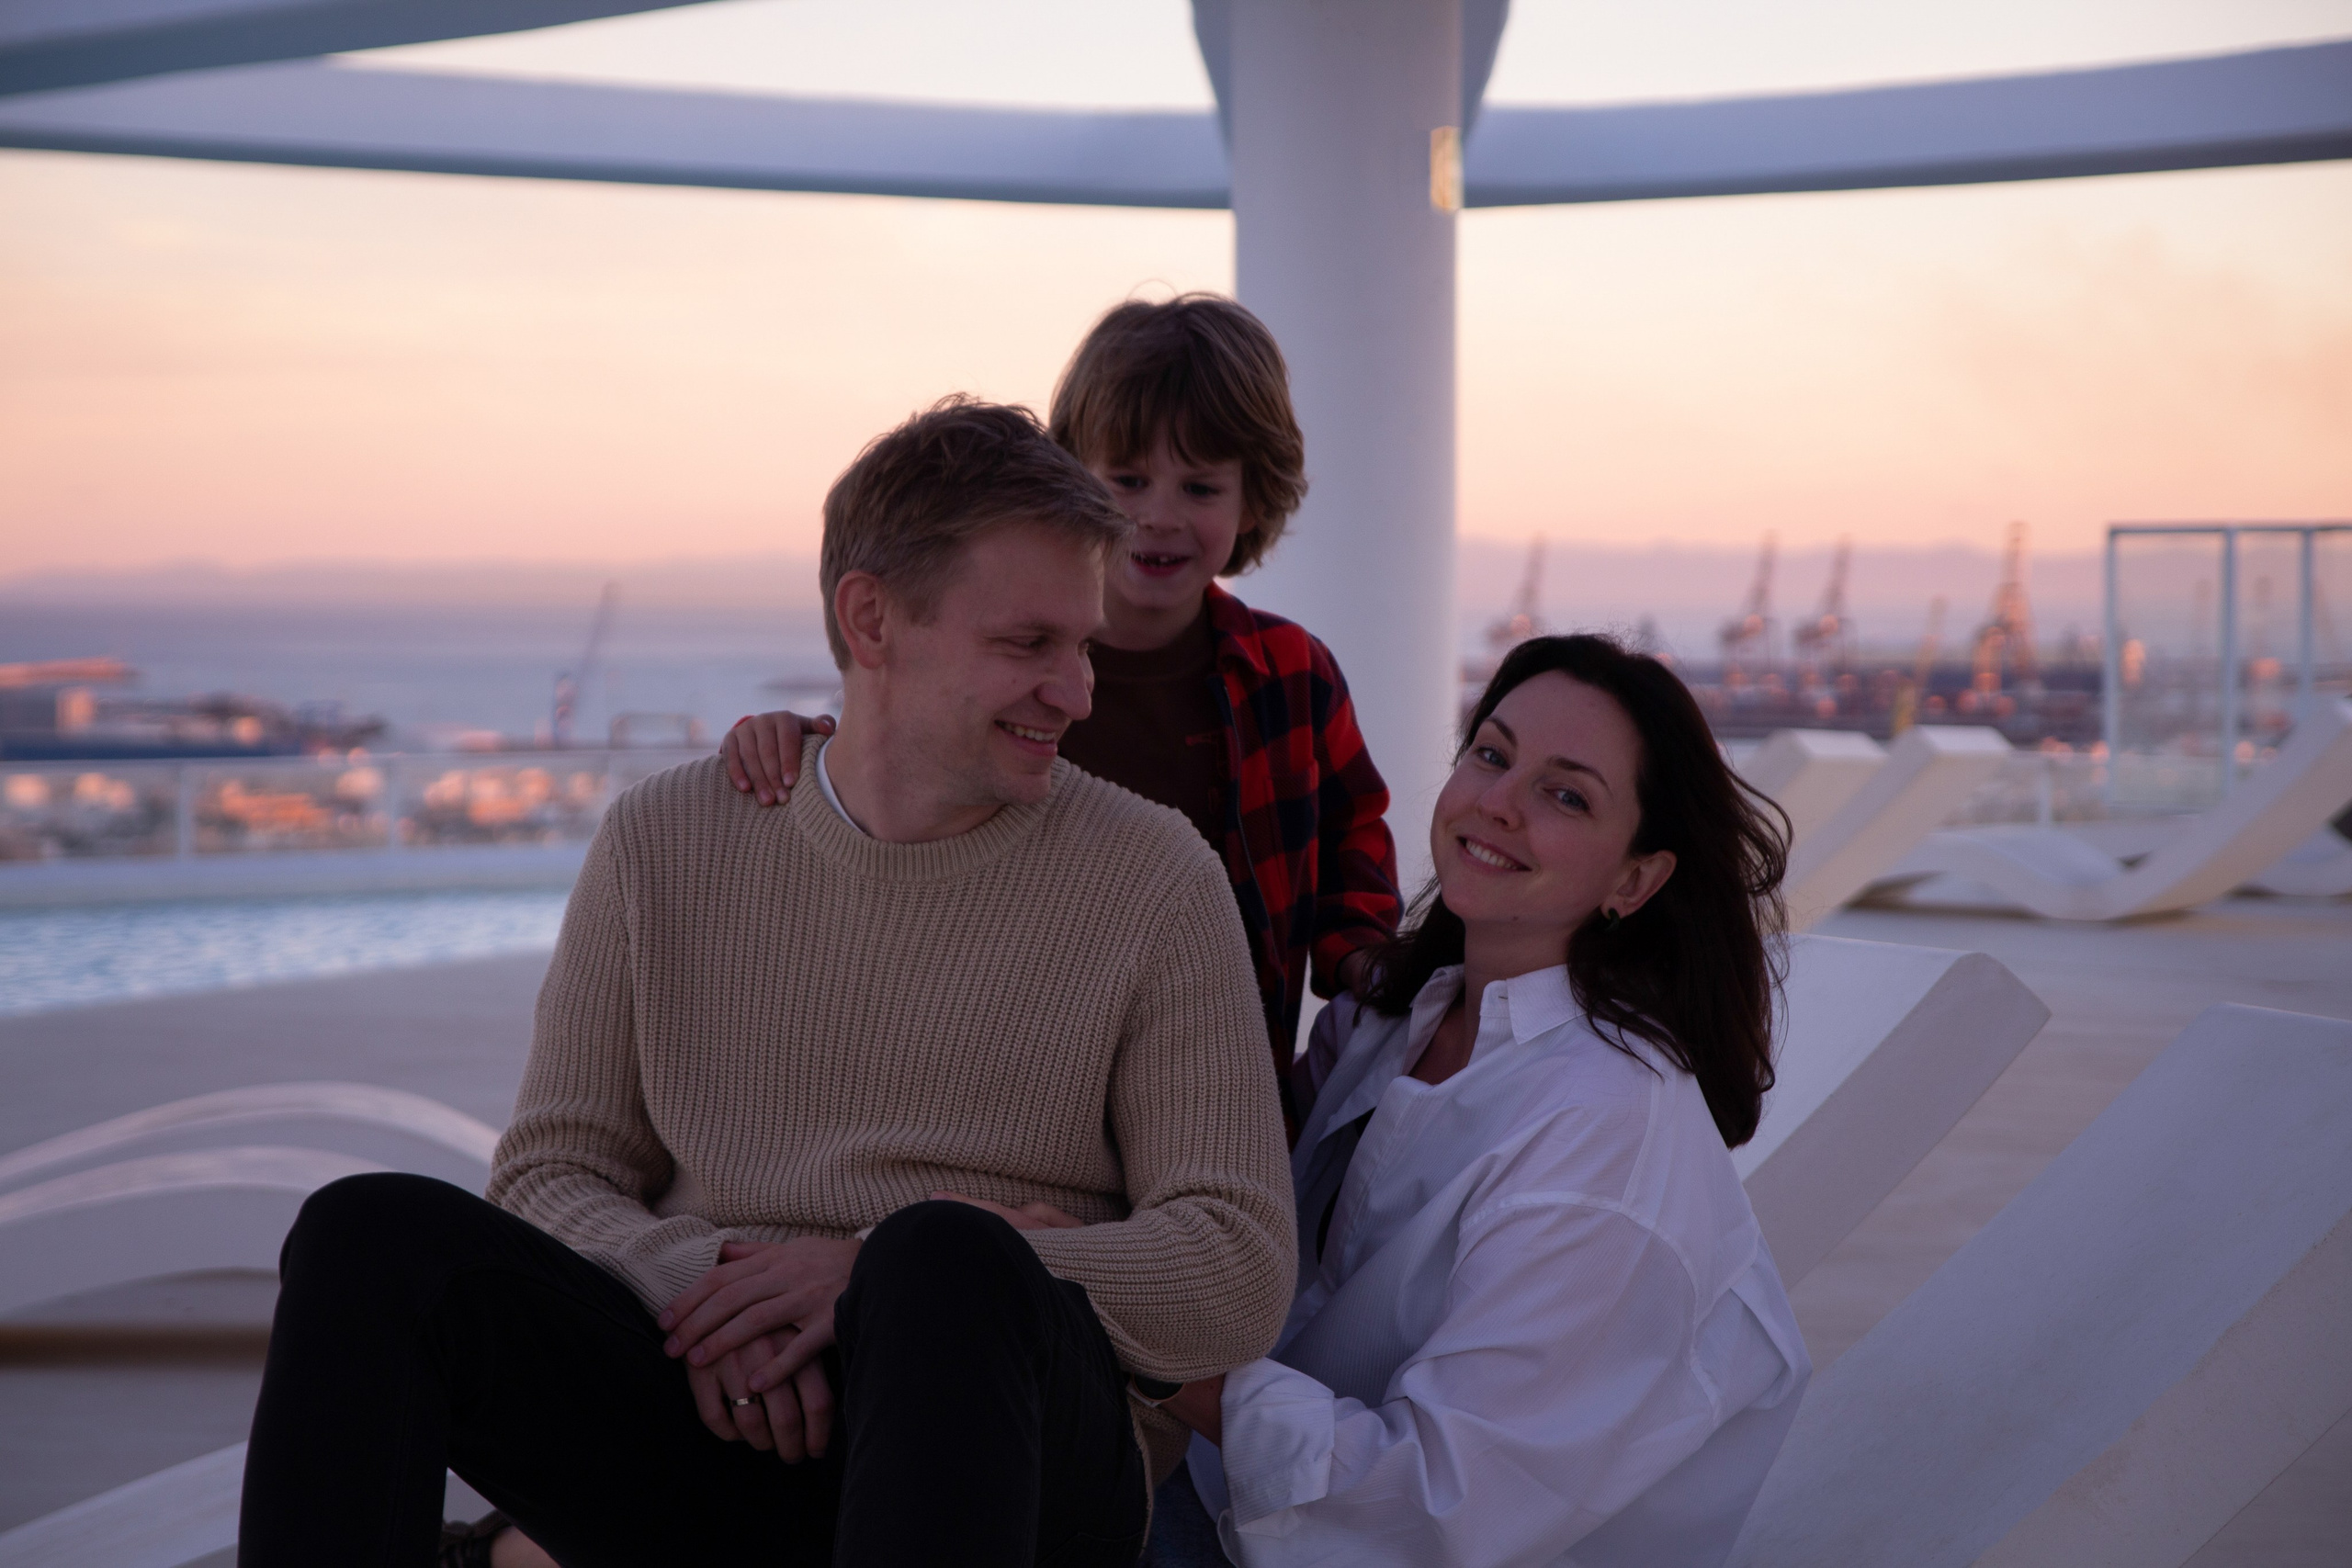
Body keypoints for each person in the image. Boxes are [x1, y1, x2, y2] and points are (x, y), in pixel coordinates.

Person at [241, 399, 1296, 1568]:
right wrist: (714, 1295)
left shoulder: (1154, 877)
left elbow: (1237, 1262)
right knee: (366, 1237)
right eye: (1028, 645)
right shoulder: (664, 841)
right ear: (870, 618)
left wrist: (867, 1276)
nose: (1077, 691)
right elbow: (548, 1174)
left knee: (937, 1260)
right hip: (715, 1413)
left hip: (1011, 1452)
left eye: (1083, 646)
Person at [1020, 634, 1812, 1567]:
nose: (1498, 803)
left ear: (1635, 879)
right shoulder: (1387, 1019)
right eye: (1492, 753)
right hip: (1215, 1484)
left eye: (1565, 795)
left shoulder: (1605, 1139)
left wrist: (1131, 1327)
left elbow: (1437, 1507)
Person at [724, 295, 1399, 1122]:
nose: (1157, 516)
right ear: (1070, 483)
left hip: (1223, 1104)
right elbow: (895, 761)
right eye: (1127, 480)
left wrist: (1370, 964)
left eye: (1199, 486)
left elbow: (1353, 841)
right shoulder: (1000, 670)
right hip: (1025, 1097)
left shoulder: (1294, 674)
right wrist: (795, 744)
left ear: (1252, 501)